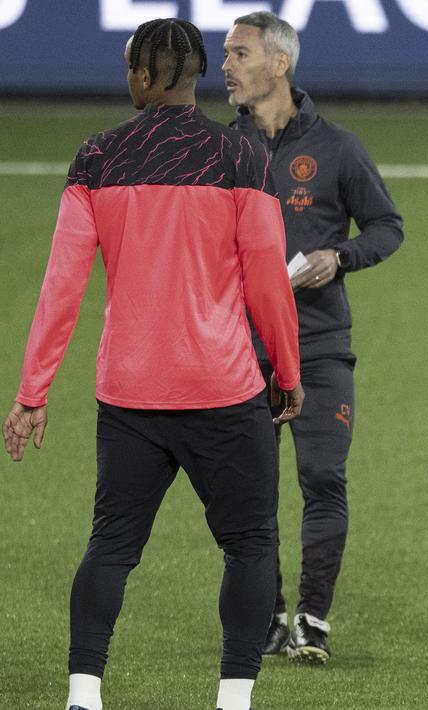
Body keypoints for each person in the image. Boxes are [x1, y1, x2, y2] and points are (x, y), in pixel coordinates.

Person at [1, 18, 302, 710]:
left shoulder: (97, 159)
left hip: (131, 394)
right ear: (195, 74)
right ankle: (233, 701)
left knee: (110, 545)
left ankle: (84, 694)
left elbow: (62, 287)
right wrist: (285, 373)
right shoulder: (239, 157)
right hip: (225, 391)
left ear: (141, 74)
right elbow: (266, 283)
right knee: (251, 543)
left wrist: (32, 391)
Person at [221, 11, 404, 664]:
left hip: (320, 345)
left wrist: (340, 257)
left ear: (279, 64)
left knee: (323, 477)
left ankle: (312, 620)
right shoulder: (223, 151)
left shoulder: (337, 148)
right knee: (252, 491)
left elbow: (386, 225)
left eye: (239, 54)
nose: (226, 66)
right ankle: (268, 615)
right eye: (224, 54)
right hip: (241, 350)